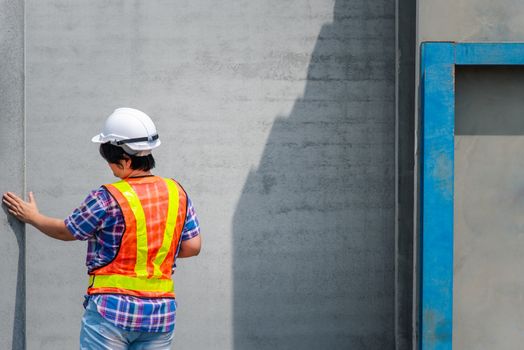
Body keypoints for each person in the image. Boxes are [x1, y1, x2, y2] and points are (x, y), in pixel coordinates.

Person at [3, 107, 201, 349]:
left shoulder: (108, 196)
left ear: (126, 160)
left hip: (111, 312)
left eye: (111, 160)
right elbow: (192, 246)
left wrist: (33, 217)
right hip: (160, 316)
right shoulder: (176, 192)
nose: (110, 167)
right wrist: (153, 247)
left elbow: (67, 230)